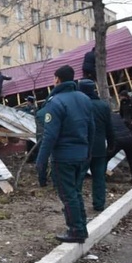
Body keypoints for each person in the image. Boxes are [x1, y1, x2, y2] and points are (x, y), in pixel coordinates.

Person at [36, 65, 95, 243]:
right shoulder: (84, 99)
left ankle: (76, 230)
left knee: (68, 195)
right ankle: (81, 226)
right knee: (76, 193)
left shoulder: (55, 102)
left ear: (57, 79)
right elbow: (91, 128)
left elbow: (50, 135)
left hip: (63, 157)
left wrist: (41, 160)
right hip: (82, 154)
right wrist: (88, 152)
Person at [78, 79, 114, 211]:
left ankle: (78, 204)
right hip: (99, 147)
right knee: (99, 177)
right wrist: (111, 143)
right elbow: (109, 127)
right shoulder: (103, 105)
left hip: (83, 148)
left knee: (79, 178)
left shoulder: (80, 105)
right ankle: (99, 203)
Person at [106, 112, 132, 183]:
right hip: (129, 138)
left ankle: (102, 176)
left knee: (105, 158)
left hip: (118, 139)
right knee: (131, 158)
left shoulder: (105, 118)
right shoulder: (117, 116)